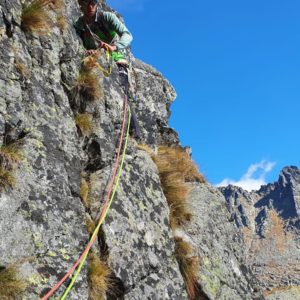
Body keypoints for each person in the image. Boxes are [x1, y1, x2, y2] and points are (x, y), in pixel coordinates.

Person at [74, 0, 141, 139]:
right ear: (81, 4)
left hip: (116, 60)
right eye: (86, 3)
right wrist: (89, 51)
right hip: (97, 62)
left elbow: (127, 35)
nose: (90, 6)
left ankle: (136, 135)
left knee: (123, 96)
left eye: (93, 3)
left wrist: (114, 47)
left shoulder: (107, 18)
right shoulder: (79, 25)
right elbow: (79, 45)